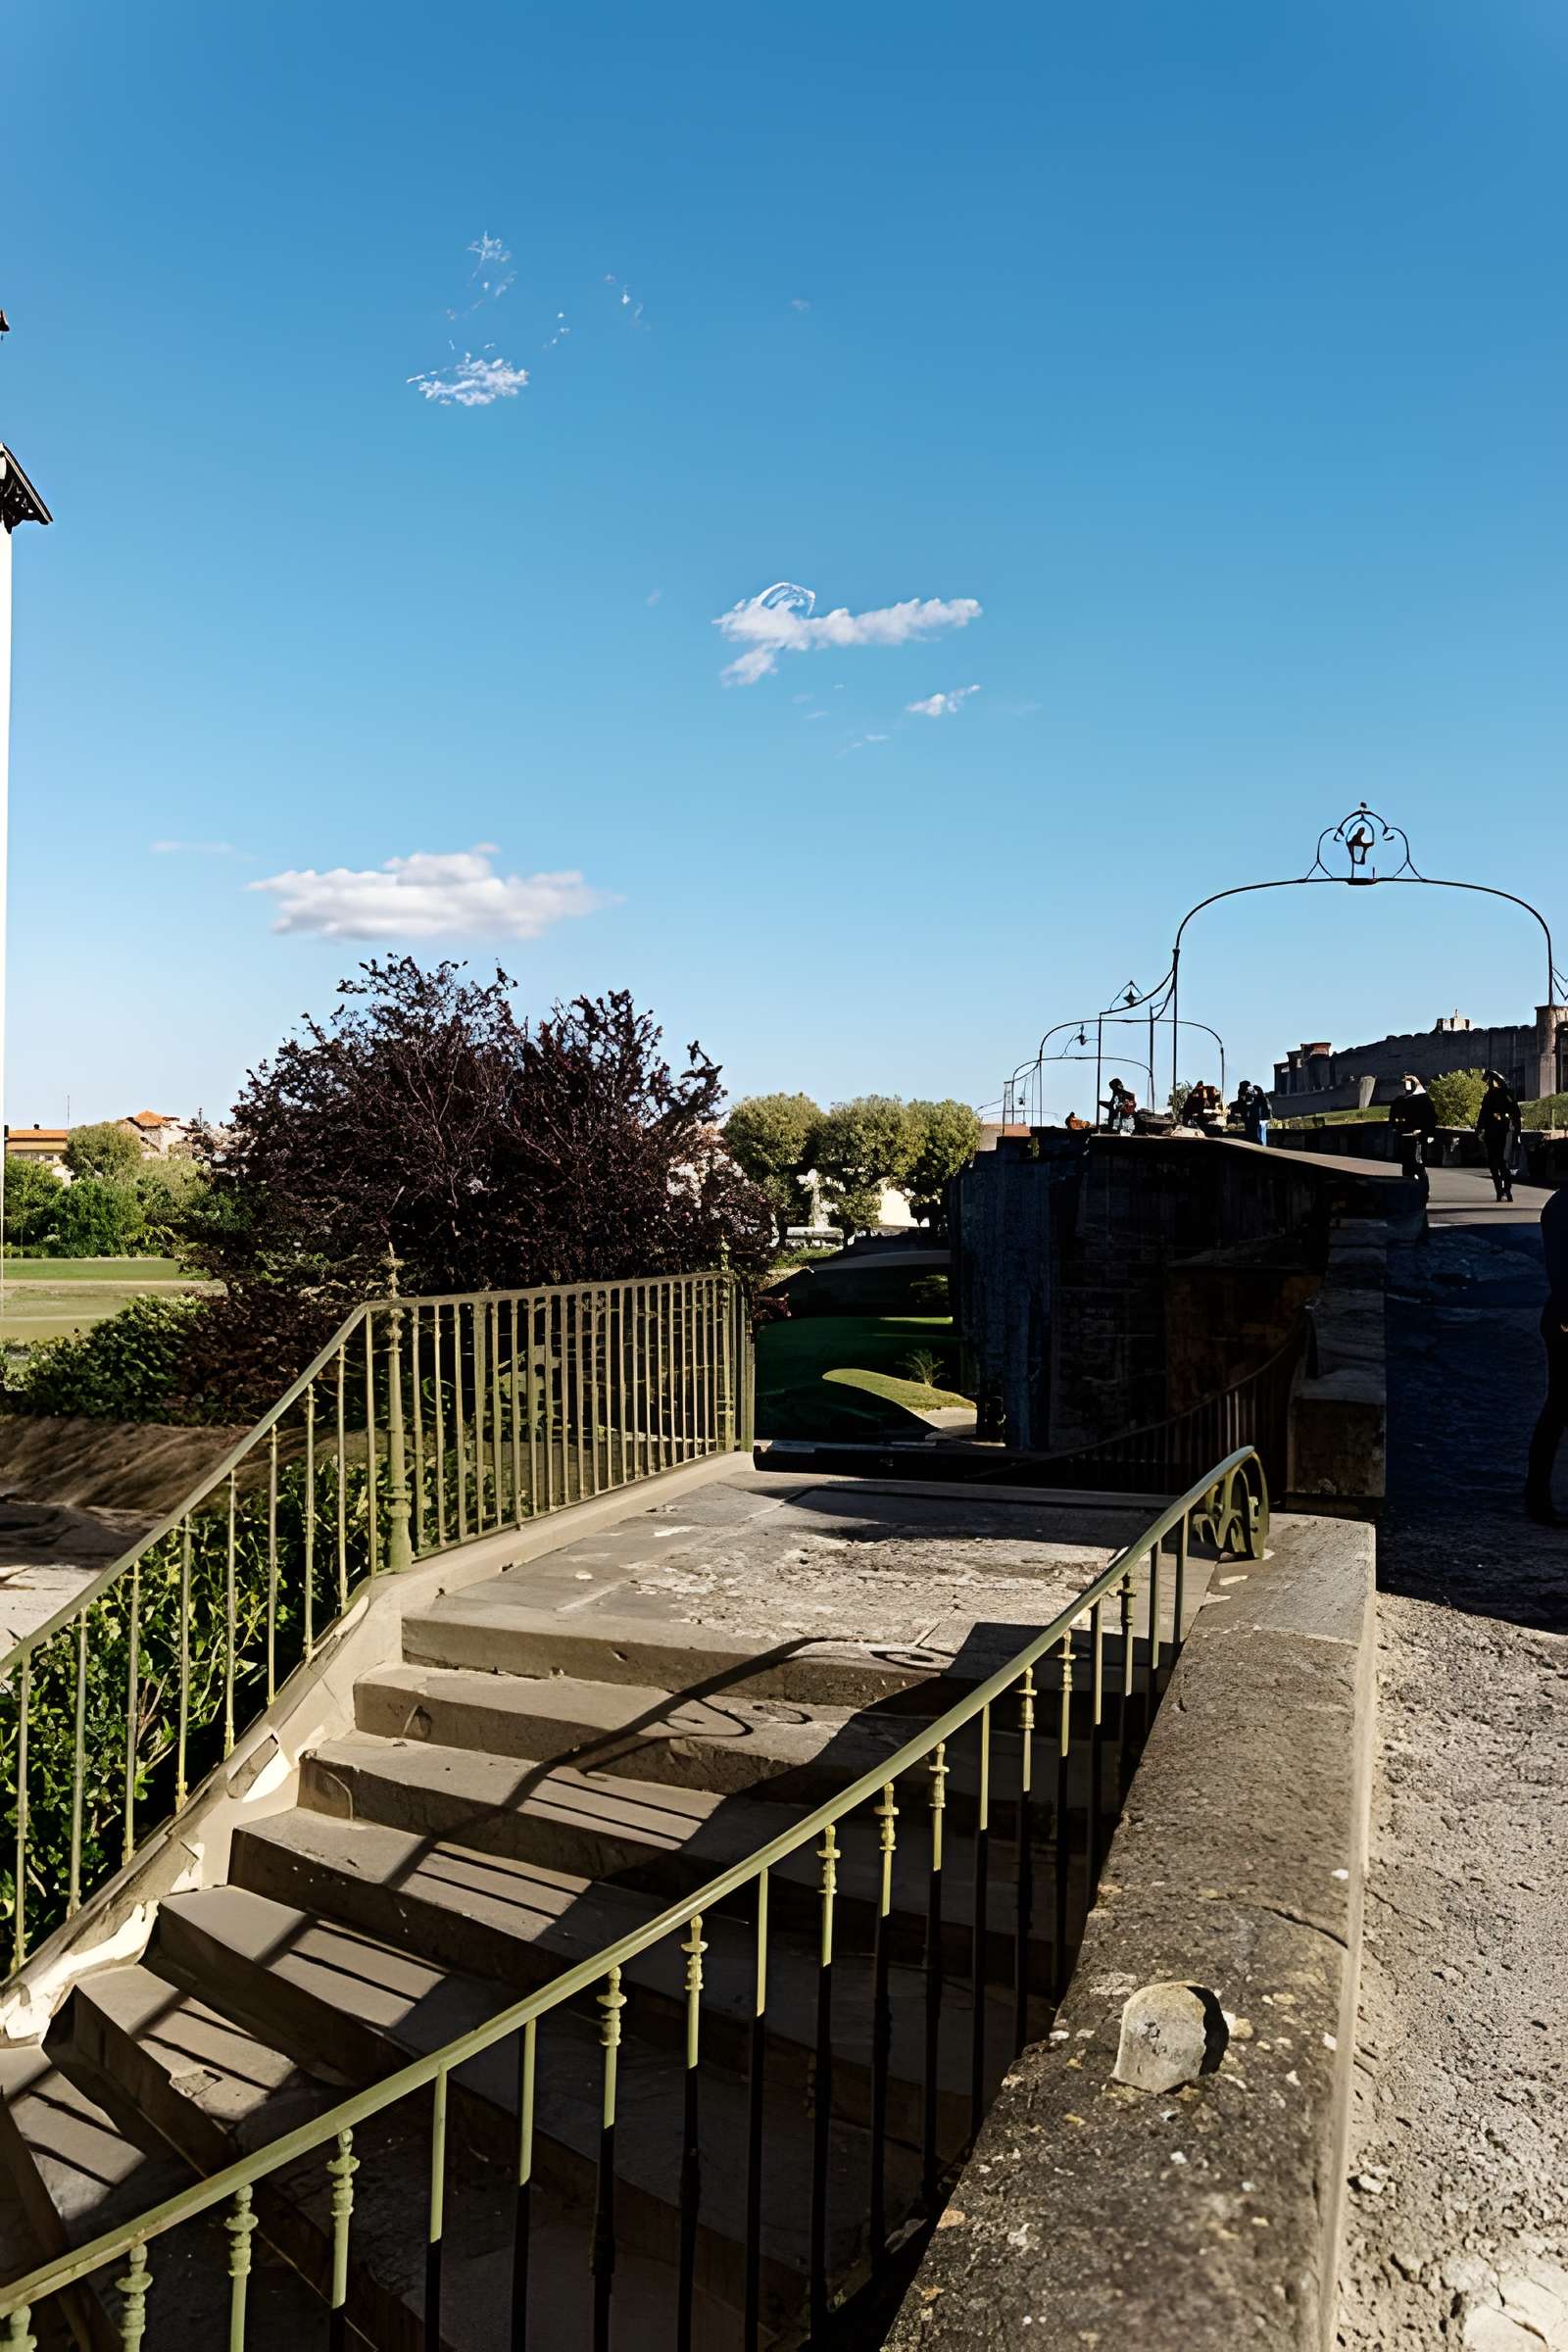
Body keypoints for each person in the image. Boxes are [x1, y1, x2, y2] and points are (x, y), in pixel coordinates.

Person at [1526, 1181, 1568, 1526]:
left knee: (1558, 1410)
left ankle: (1537, 1497)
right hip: (1564, 1324)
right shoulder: (1561, 1207)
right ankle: (1537, 1498)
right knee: (1558, 1408)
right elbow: (1561, 1273)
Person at [1388, 1074, 1438, 1200]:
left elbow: (1431, 1118)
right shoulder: (1400, 1100)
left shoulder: (1423, 1099)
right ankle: (1409, 1190)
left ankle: (1423, 1191)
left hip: (1418, 1138)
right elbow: (1393, 1118)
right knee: (1406, 1165)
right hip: (1405, 1137)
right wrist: (1397, 1126)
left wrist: (1428, 1133)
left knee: (1418, 1164)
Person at [1475, 1069, 1522, 1203]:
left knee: (1494, 1162)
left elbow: (1483, 1113)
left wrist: (1479, 1128)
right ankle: (1505, 1189)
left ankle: (1500, 1190)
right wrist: (1517, 1129)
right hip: (1502, 1131)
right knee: (1501, 1161)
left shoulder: (1493, 1095)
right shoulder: (1505, 1093)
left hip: (1495, 1131)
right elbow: (1515, 1112)